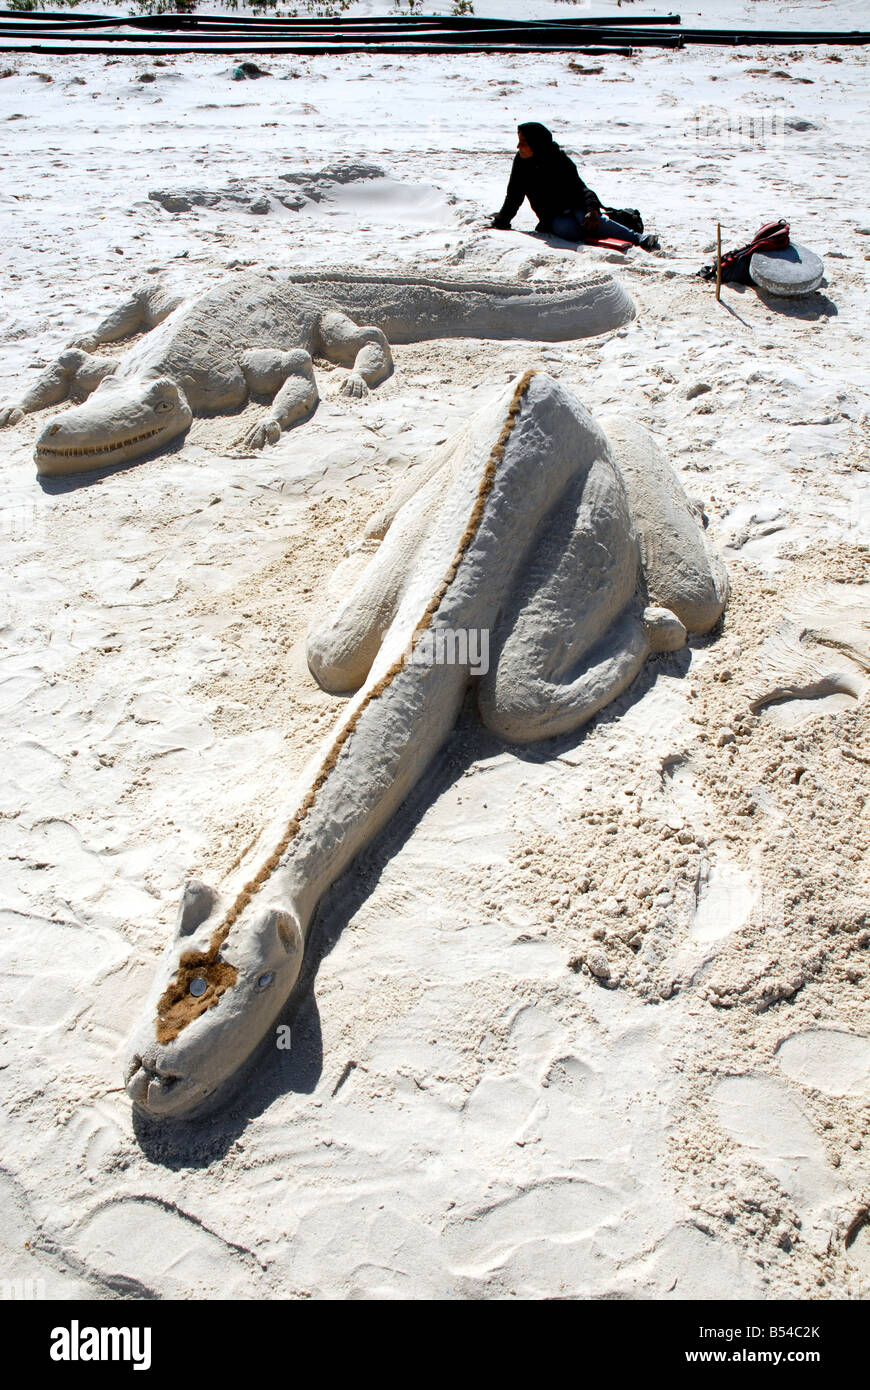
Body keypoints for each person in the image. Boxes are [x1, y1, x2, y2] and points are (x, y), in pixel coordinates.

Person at [490, 122, 659, 251]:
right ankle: (607, 224)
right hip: (553, 217)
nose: (518, 147)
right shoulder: (521, 163)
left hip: (576, 206)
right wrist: (502, 221)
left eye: (523, 142)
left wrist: (592, 210)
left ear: (536, 143)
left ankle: (640, 239)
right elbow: (514, 195)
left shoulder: (558, 159)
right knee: (570, 230)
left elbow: (582, 189)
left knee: (590, 220)